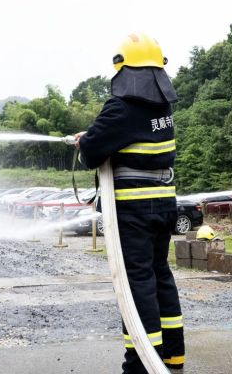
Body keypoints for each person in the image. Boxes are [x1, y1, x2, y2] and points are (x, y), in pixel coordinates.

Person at [74, 33, 184, 373]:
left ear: (123, 69)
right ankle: (173, 354)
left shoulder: (121, 107)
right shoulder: (162, 108)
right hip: (164, 204)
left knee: (137, 281)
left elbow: (93, 152)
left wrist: (85, 142)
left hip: (133, 210)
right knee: (159, 273)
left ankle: (140, 363)